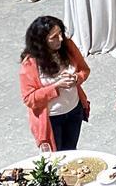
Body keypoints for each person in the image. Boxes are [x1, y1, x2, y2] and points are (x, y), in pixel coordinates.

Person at [18, 16, 90, 151]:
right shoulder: (30, 63)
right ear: (41, 41)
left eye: (61, 34)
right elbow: (29, 99)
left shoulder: (67, 47)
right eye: (54, 37)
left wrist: (76, 78)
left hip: (74, 111)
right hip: (52, 119)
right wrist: (56, 86)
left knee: (71, 151)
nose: (61, 39)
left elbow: (84, 70)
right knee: (56, 158)